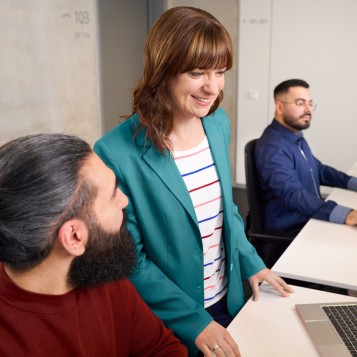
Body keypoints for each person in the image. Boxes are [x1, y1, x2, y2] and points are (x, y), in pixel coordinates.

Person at [94, 6, 293, 357]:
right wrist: (193, 320)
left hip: (229, 300)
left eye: (220, 72)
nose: (212, 88)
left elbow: (225, 210)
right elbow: (131, 260)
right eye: (197, 72)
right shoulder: (115, 152)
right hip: (174, 318)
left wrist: (252, 262)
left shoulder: (218, 124)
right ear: (163, 71)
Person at [0, 133, 188, 356]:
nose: (124, 200)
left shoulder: (101, 267)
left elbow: (161, 348)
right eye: (112, 195)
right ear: (74, 237)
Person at [255, 78, 357, 265]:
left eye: (310, 103)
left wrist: (353, 182)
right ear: (279, 107)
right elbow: (292, 195)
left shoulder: (295, 137)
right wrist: (346, 214)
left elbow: (319, 169)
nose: (308, 109)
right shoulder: (273, 147)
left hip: (309, 219)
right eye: (300, 103)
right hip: (292, 232)